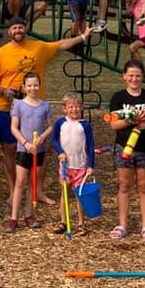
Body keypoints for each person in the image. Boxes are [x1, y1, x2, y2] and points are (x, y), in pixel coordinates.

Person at [0, 18, 93, 207]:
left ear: (26, 29)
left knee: (40, 149)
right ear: (9, 31)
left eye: (21, 27)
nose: (18, 30)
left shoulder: (38, 47)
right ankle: (13, 191)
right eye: (14, 27)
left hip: (36, 107)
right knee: (10, 150)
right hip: (7, 107)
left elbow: (61, 44)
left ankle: (38, 191)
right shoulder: (0, 54)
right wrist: (2, 90)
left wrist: (83, 36)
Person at [107, 59, 145, 242]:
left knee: (144, 187)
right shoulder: (118, 97)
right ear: (124, 76)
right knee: (124, 186)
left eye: (137, 75)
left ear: (142, 77)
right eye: (130, 75)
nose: (134, 79)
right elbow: (114, 124)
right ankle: (122, 224)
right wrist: (130, 120)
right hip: (124, 147)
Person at [4, 72, 53, 232]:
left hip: (38, 150)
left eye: (36, 85)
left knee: (33, 182)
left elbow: (50, 126)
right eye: (29, 85)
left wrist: (42, 137)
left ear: (40, 86)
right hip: (23, 149)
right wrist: (25, 143)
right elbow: (13, 128)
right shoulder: (18, 104)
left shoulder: (45, 105)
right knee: (20, 183)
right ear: (24, 87)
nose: (33, 88)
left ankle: (29, 214)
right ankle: (13, 218)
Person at [51, 91, 95, 234]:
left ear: (81, 108)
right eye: (70, 107)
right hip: (65, 167)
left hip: (80, 166)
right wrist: (60, 152)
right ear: (65, 108)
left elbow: (90, 146)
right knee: (64, 193)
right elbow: (54, 139)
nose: (74, 109)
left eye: (77, 106)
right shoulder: (60, 123)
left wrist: (90, 165)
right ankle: (63, 221)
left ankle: (81, 223)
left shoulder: (85, 125)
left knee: (79, 195)